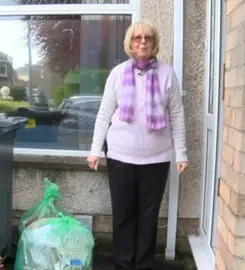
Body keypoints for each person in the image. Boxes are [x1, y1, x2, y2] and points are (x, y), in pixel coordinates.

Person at [86, 19, 188, 270]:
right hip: (121, 156)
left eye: (148, 38)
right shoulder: (118, 74)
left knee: (148, 216)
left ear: (154, 43)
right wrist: (94, 149)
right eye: (137, 37)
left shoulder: (167, 74)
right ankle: (122, 264)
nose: (142, 41)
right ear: (130, 43)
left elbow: (176, 114)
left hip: (157, 158)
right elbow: (104, 113)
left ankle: (143, 265)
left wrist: (181, 154)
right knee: (123, 215)